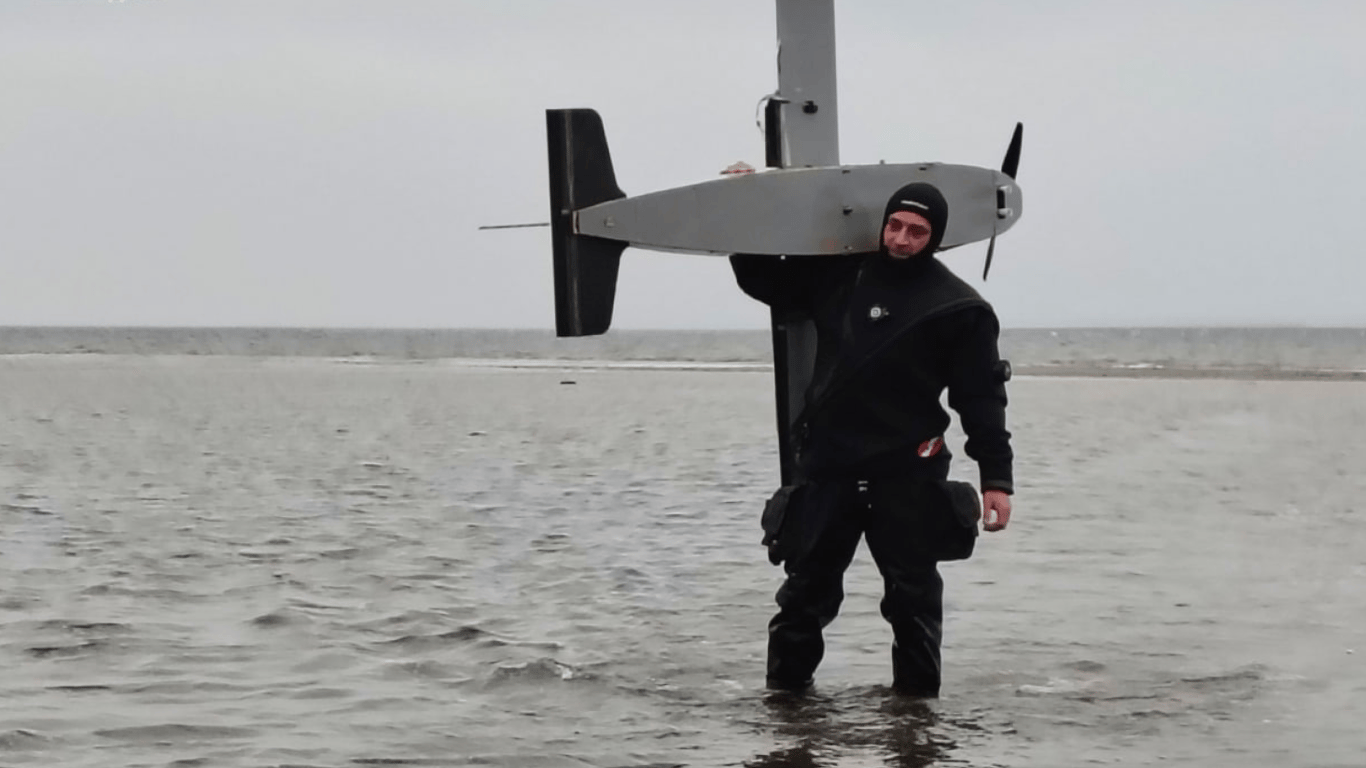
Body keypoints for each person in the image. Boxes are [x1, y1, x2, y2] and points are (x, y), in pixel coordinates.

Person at [730, 182, 1014, 697]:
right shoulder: (842, 276)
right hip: (829, 469)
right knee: (802, 601)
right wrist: (748, 198)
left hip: (907, 474)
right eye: (895, 226)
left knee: (914, 605)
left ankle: (917, 722)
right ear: (883, 223)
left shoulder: (958, 308)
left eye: (917, 232)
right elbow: (762, 279)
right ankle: (785, 716)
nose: (902, 239)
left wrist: (996, 478)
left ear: (936, 237)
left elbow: (981, 399)